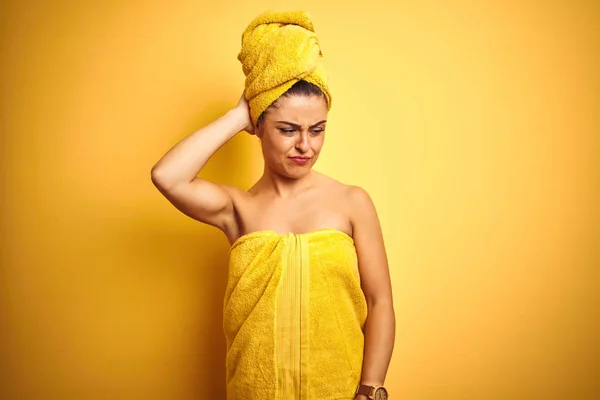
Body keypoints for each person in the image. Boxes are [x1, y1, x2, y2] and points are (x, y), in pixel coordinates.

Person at [151, 10, 395, 400]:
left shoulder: (352, 202)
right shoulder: (238, 208)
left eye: (317, 130)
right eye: (288, 130)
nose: (305, 145)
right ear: (259, 126)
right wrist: (236, 116)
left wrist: (371, 388)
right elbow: (168, 176)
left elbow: (381, 301)